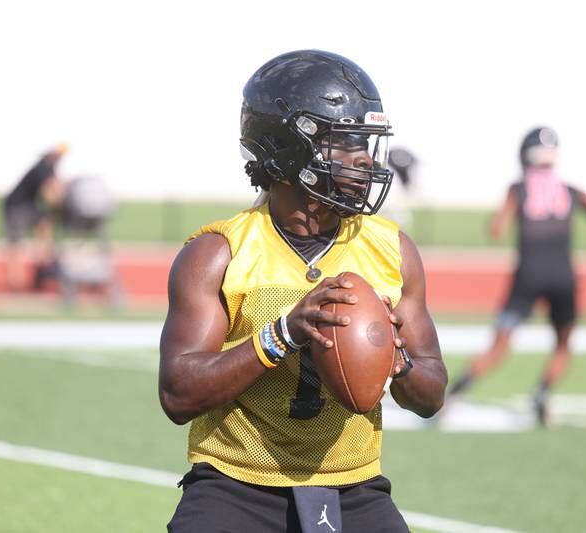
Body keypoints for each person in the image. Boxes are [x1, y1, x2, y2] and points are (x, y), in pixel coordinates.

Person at [159, 50, 447, 533]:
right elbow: (177, 393)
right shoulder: (219, 253)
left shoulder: (391, 249)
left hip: (353, 486)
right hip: (236, 485)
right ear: (286, 149)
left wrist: (400, 365)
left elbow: (433, 393)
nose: (362, 160)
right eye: (343, 144)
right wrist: (283, 334)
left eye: (364, 144)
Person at [445, 126, 586, 426]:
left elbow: (497, 229)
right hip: (564, 276)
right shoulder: (572, 191)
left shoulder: (518, 189)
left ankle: (455, 393)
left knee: (498, 347)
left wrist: (496, 223)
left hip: (528, 275)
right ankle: (543, 392)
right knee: (563, 344)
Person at [2, 143, 68, 291]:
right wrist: (61, 200)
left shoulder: (50, 169)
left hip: (28, 206)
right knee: (16, 245)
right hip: (16, 207)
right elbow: (49, 194)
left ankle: (44, 260)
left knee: (44, 223)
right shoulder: (41, 169)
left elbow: (57, 186)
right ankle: (15, 283)